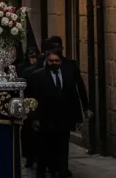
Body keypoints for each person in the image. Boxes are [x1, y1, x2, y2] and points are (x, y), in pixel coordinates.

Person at [27, 49, 87, 178]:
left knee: (63, 146)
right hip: (45, 118)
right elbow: (33, 99)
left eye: (56, 61)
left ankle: (62, 170)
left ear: (60, 61)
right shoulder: (38, 76)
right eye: (51, 61)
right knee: (44, 147)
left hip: (63, 118)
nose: (53, 63)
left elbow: (74, 97)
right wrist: (34, 118)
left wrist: (78, 119)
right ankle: (42, 171)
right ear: (46, 61)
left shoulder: (67, 75)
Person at [18, 47, 40, 168]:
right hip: (27, 102)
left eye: (35, 56)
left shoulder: (39, 68)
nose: (33, 59)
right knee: (27, 131)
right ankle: (29, 156)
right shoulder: (22, 68)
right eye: (31, 57)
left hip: (37, 102)